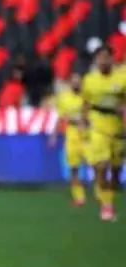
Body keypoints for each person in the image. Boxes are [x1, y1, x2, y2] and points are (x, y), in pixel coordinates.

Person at [79, 46, 123, 223]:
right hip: (98, 126)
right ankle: (106, 204)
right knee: (101, 165)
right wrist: (83, 121)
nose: (103, 61)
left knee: (115, 170)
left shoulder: (122, 78)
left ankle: (107, 197)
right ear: (96, 61)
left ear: (112, 59)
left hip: (118, 128)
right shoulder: (89, 80)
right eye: (100, 58)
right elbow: (85, 103)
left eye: (106, 57)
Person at [49, 76, 88, 207]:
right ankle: (79, 197)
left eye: (78, 82)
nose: (76, 84)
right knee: (73, 167)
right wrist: (54, 135)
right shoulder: (65, 98)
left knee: (96, 164)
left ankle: (102, 194)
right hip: (72, 132)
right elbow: (61, 118)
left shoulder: (87, 96)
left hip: (88, 133)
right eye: (74, 82)